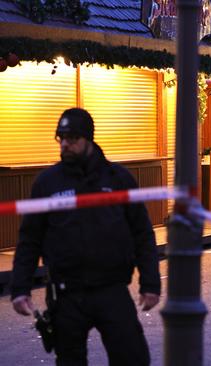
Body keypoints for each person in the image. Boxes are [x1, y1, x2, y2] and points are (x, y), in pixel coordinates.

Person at [11, 108, 161, 365]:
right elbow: (30, 239)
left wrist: (150, 283)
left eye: (72, 138)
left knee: (133, 357)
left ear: (88, 139)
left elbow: (142, 234)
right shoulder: (48, 183)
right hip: (66, 294)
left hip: (111, 290)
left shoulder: (118, 179)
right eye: (61, 138)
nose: (65, 144)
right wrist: (19, 288)